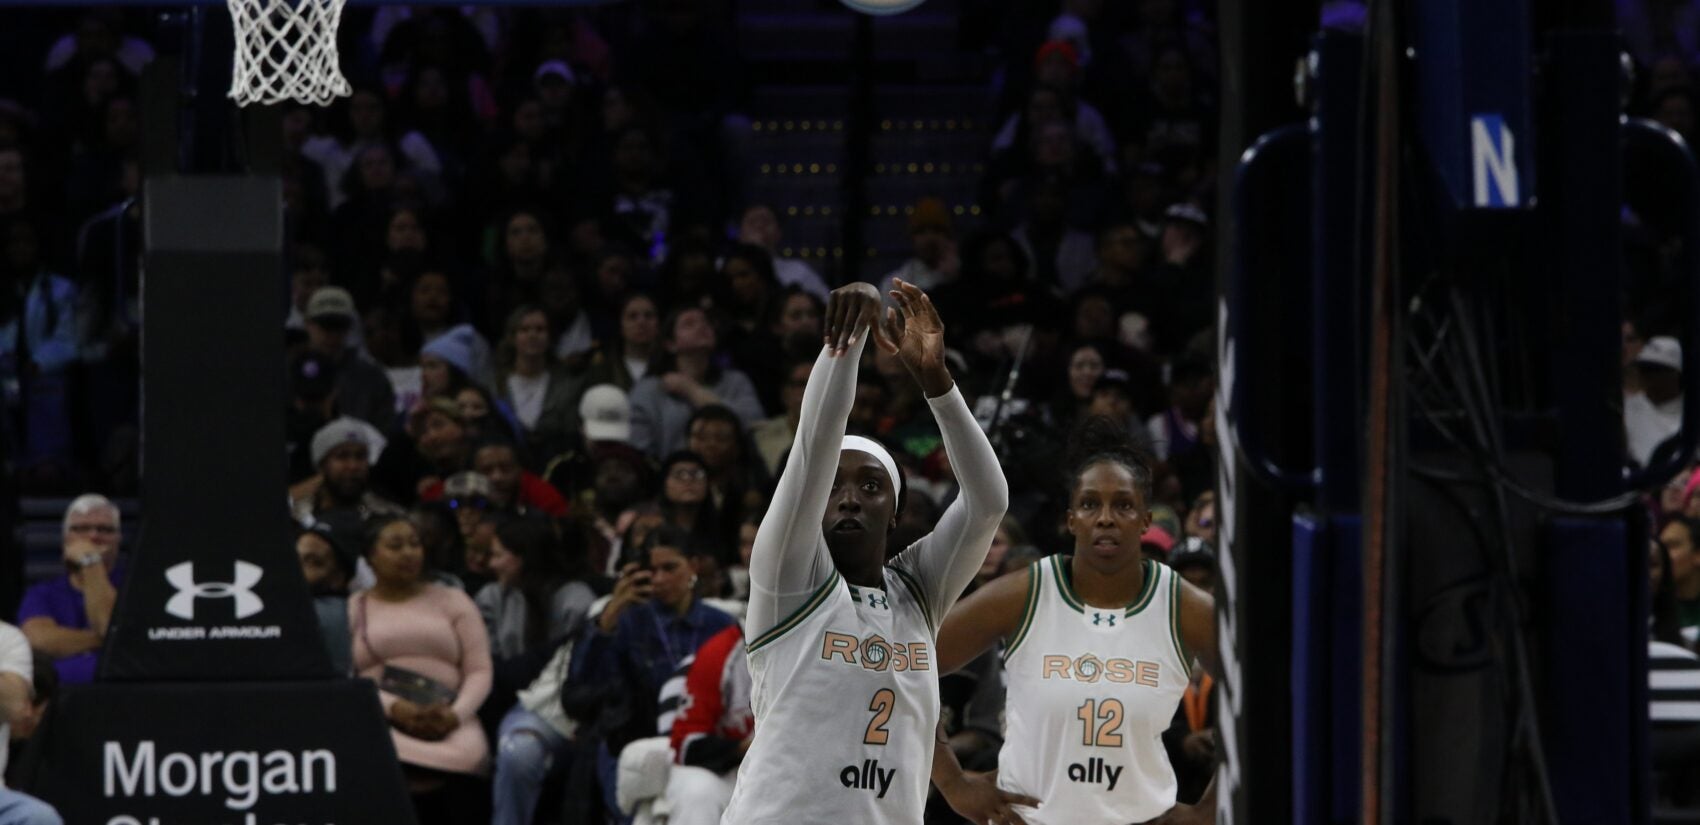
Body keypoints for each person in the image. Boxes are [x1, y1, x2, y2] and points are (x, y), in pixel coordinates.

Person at [721, 278, 1006, 823]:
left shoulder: (918, 593)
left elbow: (988, 503)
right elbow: (814, 441)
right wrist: (846, 342)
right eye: (833, 486)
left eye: (871, 486)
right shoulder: (788, 579)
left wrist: (936, 382)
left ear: (895, 512)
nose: (849, 498)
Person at [931, 416, 1217, 825]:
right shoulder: (1026, 593)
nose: (1105, 518)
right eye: (1090, 504)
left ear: (1145, 520)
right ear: (1071, 519)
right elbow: (907, 664)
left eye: (1123, 505)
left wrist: (1209, 810)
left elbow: (1265, 699)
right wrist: (953, 783)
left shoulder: (1181, 604)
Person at [568, 527, 736, 820]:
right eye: (652, 571)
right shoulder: (628, 620)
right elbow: (578, 695)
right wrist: (607, 620)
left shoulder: (720, 625)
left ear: (693, 566)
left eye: (669, 568)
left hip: (703, 746)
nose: (659, 579)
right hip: (633, 745)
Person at [349, 516, 492, 824]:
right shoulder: (354, 608)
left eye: (415, 544)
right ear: (370, 557)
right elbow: (350, 677)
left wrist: (455, 715)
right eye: (395, 546)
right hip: (381, 716)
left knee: (467, 765)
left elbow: (480, 670)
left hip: (449, 716)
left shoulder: (454, 600)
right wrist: (395, 708)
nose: (408, 553)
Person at [627, 306, 765, 458]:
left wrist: (692, 391)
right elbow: (639, 449)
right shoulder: (649, 390)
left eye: (706, 322)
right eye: (689, 324)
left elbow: (757, 426)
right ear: (670, 344)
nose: (701, 326)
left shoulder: (735, 381)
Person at [17, 495, 124, 685]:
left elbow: (107, 625)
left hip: (119, 689)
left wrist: (91, 563)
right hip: (57, 692)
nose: (93, 536)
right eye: (81, 529)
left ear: (118, 539)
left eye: (105, 529)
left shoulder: (133, 586)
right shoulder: (42, 593)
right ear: (66, 538)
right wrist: (106, 640)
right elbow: (39, 641)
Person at [664, 624, 754, 825]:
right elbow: (686, 746)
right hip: (723, 772)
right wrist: (743, 748)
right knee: (698, 792)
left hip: (779, 769)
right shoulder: (720, 652)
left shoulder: (809, 648)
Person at [494, 304, 586, 461]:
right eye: (524, 329)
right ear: (512, 337)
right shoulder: (496, 385)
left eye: (540, 329)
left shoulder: (567, 386)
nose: (532, 335)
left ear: (550, 337)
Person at [304, 287, 396, 429]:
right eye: (325, 324)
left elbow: (384, 429)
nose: (332, 334)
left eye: (339, 325)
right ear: (308, 324)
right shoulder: (290, 372)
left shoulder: (372, 377)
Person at [290, 416, 404, 526]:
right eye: (342, 456)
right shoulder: (295, 517)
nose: (353, 466)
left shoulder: (387, 515)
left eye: (360, 456)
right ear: (322, 465)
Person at [297, 524, 355, 674]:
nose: (296, 568)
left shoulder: (333, 612)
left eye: (313, 562)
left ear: (338, 578)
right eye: (293, 558)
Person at [1627, 336, 1685, 468]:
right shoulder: (1628, 410)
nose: (1649, 377)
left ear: (1676, 374)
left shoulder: (1693, 411)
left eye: (1657, 370)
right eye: (1645, 369)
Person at [1660, 516, 1700, 647]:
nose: (1662, 555)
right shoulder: (1653, 608)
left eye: (1672, 546)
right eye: (1662, 547)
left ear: (1697, 554)